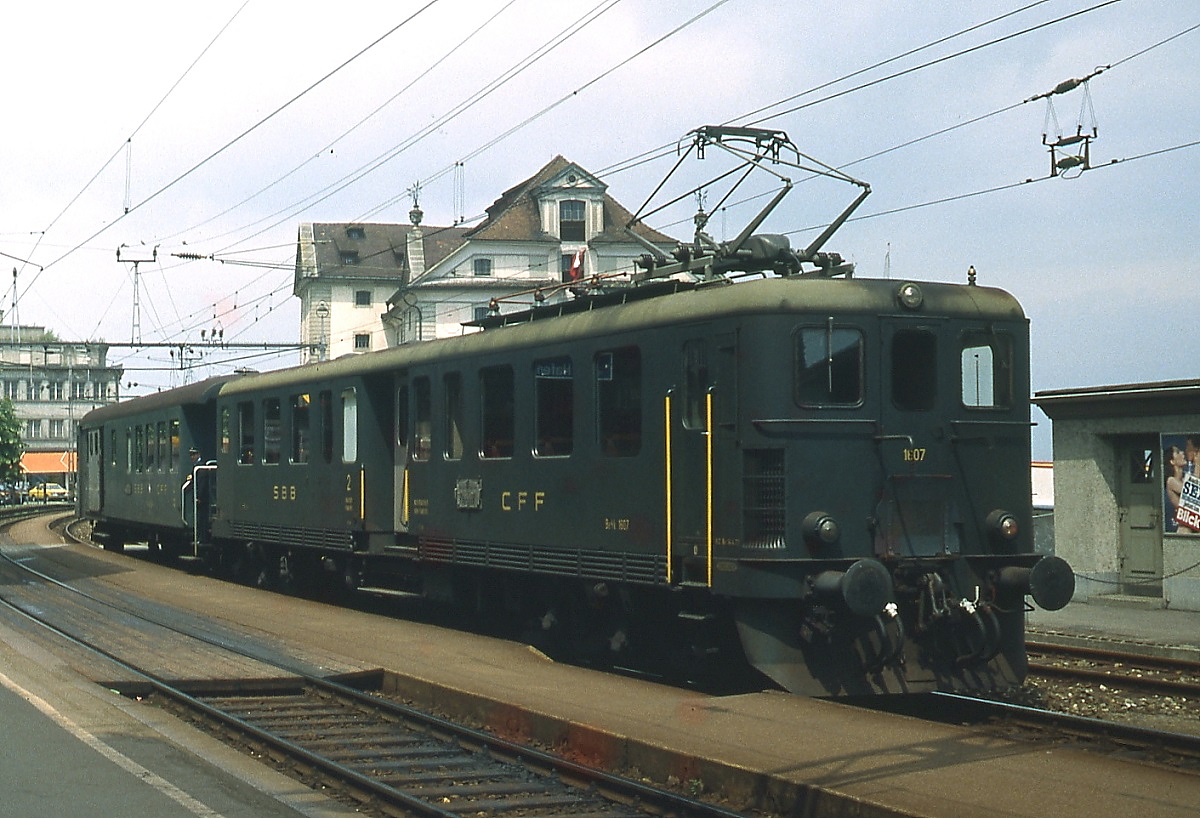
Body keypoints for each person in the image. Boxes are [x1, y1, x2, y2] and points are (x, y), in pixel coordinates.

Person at [1164, 444, 1186, 533]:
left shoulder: (1185, 479)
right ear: (1172, 461)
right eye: (1177, 452)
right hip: (1182, 527)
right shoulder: (1171, 481)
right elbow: (1192, 494)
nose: (1182, 453)